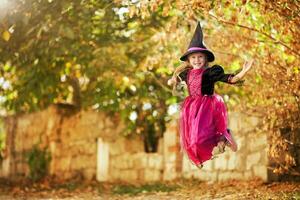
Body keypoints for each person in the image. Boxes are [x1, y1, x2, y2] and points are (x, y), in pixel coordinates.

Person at [168, 22, 253, 168]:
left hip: (208, 106)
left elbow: (229, 79)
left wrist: (243, 72)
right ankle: (201, 155)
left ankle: (223, 137)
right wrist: (172, 80)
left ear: (205, 58)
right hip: (192, 108)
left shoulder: (210, 73)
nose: (197, 60)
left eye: (200, 57)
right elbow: (176, 79)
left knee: (205, 133)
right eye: (193, 57)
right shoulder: (186, 73)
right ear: (189, 60)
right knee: (193, 138)